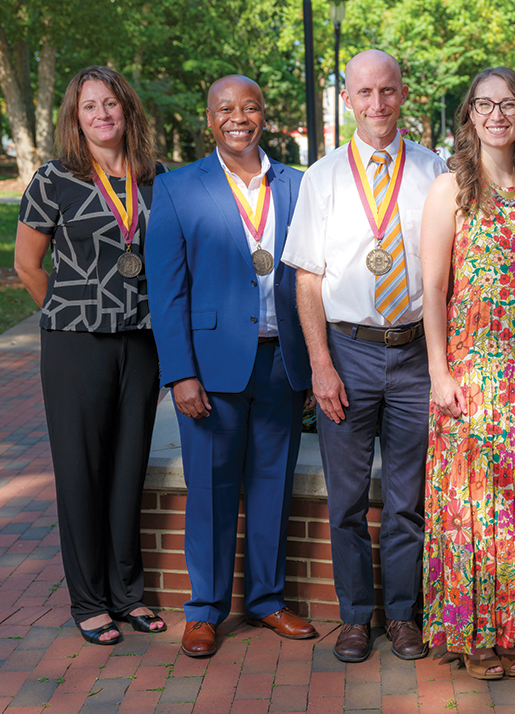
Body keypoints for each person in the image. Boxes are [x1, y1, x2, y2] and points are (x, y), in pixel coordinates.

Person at [282, 49, 448, 664]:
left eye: (387, 91)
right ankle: (355, 617)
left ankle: (403, 615)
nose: (377, 104)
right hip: (347, 355)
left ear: (403, 93)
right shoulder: (321, 178)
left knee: (408, 500)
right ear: (347, 98)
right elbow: (306, 281)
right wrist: (320, 365)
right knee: (347, 499)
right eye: (364, 93)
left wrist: (441, 363)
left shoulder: (437, 172)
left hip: (412, 356)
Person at [145, 75, 316, 659]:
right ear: (209, 118)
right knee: (212, 492)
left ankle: (267, 601)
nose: (237, 117)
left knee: (273, 488)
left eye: (249, 107)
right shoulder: (176, 189)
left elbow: (319, 278)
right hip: (211, 370)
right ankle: (206, 610)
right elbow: (166, 293)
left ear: (263, 115)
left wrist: (320, 364)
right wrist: (180, 373)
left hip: (282, 362)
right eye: (225, 108)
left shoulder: (299, 184)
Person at [14, 66, 167, 645]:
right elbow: (27, 265)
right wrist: (69, 311)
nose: (102, 114)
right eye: (89, 107)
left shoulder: (157, 178)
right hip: (76, 345)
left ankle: (128, 594)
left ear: (127, 110)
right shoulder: (55, 179)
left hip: (143, 340)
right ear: (75, 119)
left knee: (129, 470)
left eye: (111, 104)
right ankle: (88, 599)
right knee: (82, 471)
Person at [420, 66, 515, 680]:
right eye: (484, 104)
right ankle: (475, 634)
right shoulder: (449, 188)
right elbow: (431, 287)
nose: (497, 114)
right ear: (469, 114)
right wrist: (438, 372)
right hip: (471, 375)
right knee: (472, 506)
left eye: (508, 104)